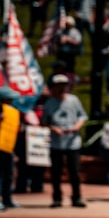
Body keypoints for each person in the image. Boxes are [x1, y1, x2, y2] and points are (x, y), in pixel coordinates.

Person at [42, 74, 87, 208]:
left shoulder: (74, 100)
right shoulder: (50, 103)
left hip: (72, 142)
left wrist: (76, 127)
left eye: (64, 86)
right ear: (54, 88)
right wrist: (53, 128)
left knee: (74, 172)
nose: (61, 88)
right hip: (56, 143)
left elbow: (82, 116)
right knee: (56, 172)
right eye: (58, 86)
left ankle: (76, 197)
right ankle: (57, 198)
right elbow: (45, 122)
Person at [0, 87, 21, 210]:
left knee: (8, 173)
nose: (11, 101)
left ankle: (7, 198)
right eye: (9, 99)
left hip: (8, 147)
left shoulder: (12, 111)